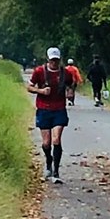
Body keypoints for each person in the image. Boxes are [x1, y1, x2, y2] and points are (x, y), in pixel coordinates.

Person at [29, 47, 79, 182]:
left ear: (60, 59)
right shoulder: (39, 71)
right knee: (46, 143)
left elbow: (71, 84)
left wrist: (70, 91)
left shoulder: (65, 73)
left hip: (59, 109)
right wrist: (41, 91)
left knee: (56, 139)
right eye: (52, 60)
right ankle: (48, 162)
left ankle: (56, 171)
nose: (54, 63)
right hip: (43, 109)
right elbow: (29, 87)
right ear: (48, 59)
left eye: (56, 60)